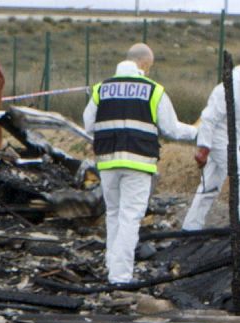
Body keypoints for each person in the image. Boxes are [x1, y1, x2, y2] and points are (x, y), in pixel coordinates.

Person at [82, 43, 195, 286]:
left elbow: (88, 124)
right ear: (143, 64)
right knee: (130, 218)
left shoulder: (101, 88)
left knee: (113, 214)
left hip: (107, 162)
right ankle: (121, 277)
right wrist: (197, 131)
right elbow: (171, 128)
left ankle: (112, 266)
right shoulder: (154, 90)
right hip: (139, 162)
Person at [182, 60, 240, 231]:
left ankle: (190, 228)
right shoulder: (228, 89)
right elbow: (209, 118)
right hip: (218, 142)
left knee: (209, 187)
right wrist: (203, 147)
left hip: (231, 141)